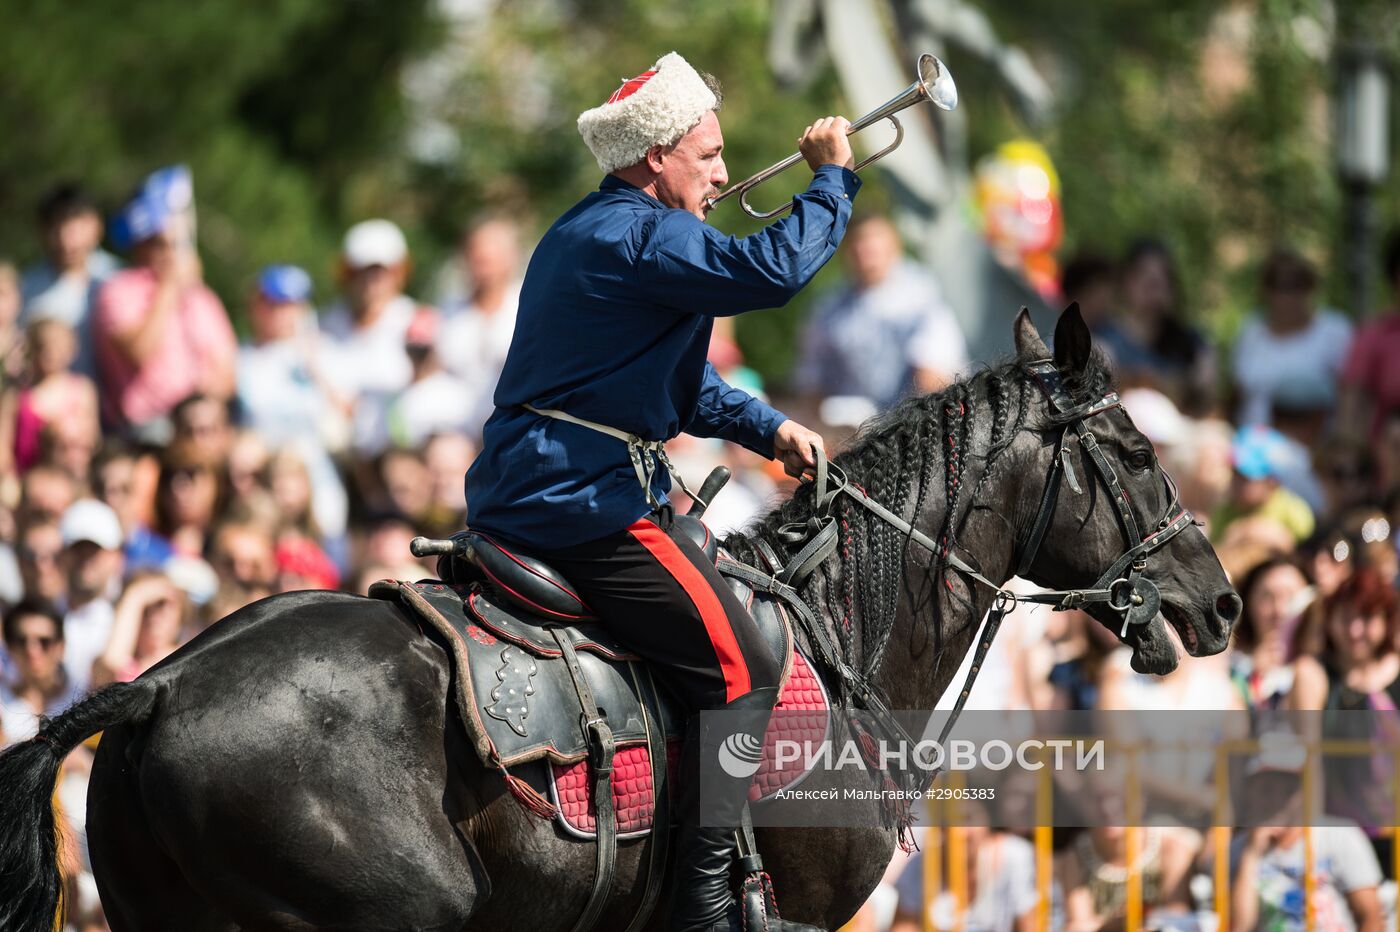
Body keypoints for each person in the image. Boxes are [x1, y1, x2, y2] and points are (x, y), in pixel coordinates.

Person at [465, 51, 854, 932]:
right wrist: (831, 181)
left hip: (547, 483)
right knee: (744, 668)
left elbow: (671, 388)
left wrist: (767, 426)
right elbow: (775, 274)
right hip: (581, 501)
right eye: (708, 154)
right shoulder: (644, 233)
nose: (722, 172)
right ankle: (703, 910)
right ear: (655, 159)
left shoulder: (591, 230)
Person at [94, 167, 237, 440]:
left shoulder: (202, 298)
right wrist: (170, 286)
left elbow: (228, 375)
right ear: (141, 244)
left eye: (177, 244)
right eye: (160, 243)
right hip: (148, 428)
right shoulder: (118, 289)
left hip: (201, 423)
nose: (171, 252)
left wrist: (204, 397)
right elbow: (139, 351)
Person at [794, 213, 967, 411]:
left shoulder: (921, 297)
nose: (864, 254)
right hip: (851, 425)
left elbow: (932, 376)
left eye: (872, 246)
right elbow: (811, 377)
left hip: (911, 419)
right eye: (857, 245)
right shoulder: (830, 309)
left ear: (894, 246)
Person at [1231, 738, 1383, 932]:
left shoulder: (1341, 835)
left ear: (1304, 791)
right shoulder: (1237, 849)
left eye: (1287, 788)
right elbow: (1239, 927)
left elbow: (1371, 916)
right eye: (1266, 787)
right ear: (1251, 791)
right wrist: (1251, 856)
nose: (1276, 798)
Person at [1232, 248, 1352, 430]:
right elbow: (1237, 395)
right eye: (1279, 286)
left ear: (1311, 287)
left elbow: (1349, 395)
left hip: (1316, 448)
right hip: (1254, 446)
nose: (1288, 296)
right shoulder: (1250, 331)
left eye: (1297, 285)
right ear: (1266, 291)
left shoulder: (1334, 330)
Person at [1094, 238, 1214, 414]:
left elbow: (1205, 401)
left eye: (1162, 278)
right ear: (1124, 281)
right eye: (1143, 276)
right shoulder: (1102, 339)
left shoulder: (1192, 343)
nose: (1153, 286)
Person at [19, 183, 119, 380]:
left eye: (74, 227)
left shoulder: (118, 279)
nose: (66, 241)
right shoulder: (26, 289)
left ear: (96, 226)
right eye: (56, 228)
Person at [438, 216, 523, 439]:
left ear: (509, 259)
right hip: (455, 433)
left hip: (513, 430)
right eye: (475, 258)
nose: (480, 268)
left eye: (487, 260)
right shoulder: (447, 312)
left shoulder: (528, 306)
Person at [318, 219, 418, 407]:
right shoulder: (324, 325)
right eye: (361, 272)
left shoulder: (416, 322)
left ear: (399, 273)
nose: (370, 282)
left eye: (380, 273)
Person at [56, 498, 126, 693]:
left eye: (95, 550)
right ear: (62, 553)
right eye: (78, 549)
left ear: (117, 557)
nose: (86, 559)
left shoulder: (133, 621)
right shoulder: (38, 616)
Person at [0, 599, 84, 746]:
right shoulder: (2, 703)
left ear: (61, 647)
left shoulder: (82, 699)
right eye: (21, 641)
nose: (32, 650)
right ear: (9, 648)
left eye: (44, 641)